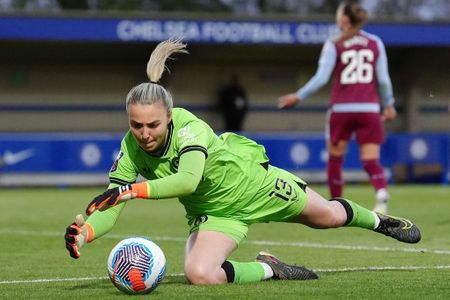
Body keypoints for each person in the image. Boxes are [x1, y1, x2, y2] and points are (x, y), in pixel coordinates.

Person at [65, 39, 420, 286]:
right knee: (201, 274)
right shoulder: (130, 147)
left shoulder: (190, 128)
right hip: (215, 213)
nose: (143, 133)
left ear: (169, 117)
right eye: (136, 125)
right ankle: (270, 269)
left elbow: (187, 180)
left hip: (254, 185)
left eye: (153, 125)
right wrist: (88, 232)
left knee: (328, 217)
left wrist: (132, 190)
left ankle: (378, 221)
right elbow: (111, 203)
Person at [278, 1, 396, 214]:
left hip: (342, 110)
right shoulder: (375, 42)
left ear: (343, 20)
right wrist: (388, 104)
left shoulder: (334, 43)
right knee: (370, 159)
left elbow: (321, 78)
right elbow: (384, 80)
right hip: (369, 109)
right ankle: (381, 195)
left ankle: (336, 205)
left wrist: (298, 95)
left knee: (335, 158)